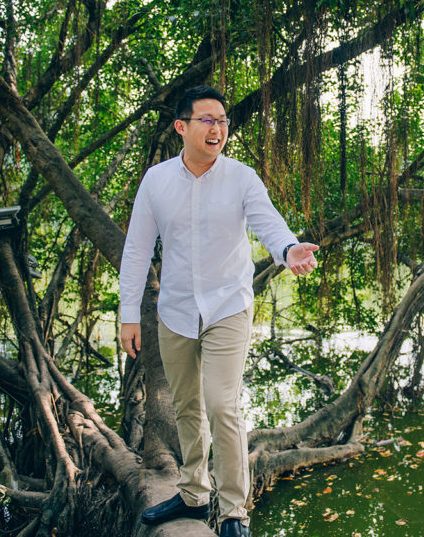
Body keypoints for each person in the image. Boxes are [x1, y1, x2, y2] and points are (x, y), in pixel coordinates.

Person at [118, 85, 318, 537]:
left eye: (223, 120)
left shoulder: (241, 177)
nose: (218, 128)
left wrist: (288, 250)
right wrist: (129, 313)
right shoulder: (157, 180)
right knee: (187, 406)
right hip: (175, 310)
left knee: (222, 406)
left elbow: (268, 222)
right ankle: (192, 492)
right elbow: (136, 250)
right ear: (181, 127)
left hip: (228, 305)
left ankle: (232, 513)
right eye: (207, 119)